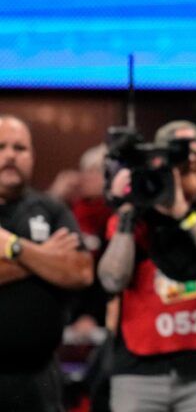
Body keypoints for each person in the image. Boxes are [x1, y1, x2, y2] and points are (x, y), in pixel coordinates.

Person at [98, 121, 196, 412]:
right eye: (178, 158)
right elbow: (112, 280)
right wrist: (128, 212)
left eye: (194, 156)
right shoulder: (135, 215)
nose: (186, 165)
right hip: (137, 369)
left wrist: (183, 214)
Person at [0, 114, 94, 411]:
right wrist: (46, 256)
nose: (10, 155)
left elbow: (81, 271)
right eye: (1, 147)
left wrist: (15, 247)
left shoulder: (51, 208)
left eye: (20, 148)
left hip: (39, 377)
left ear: (32, 156)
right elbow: (62, 266)